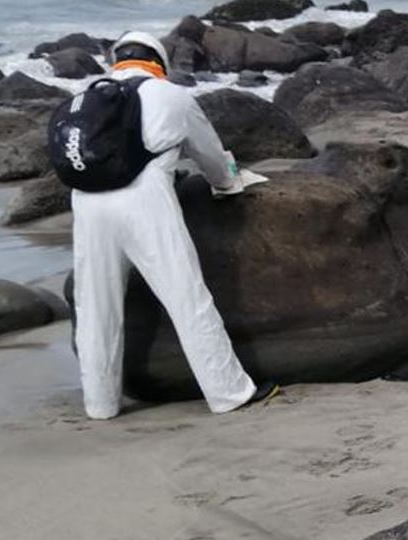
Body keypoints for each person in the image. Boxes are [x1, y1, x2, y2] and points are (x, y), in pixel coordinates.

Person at [70, 31, 273, 420]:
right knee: (187, 298)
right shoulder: (170, 96)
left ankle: (100, 405)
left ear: (118, 60)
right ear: (157, 62)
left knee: (95, 307)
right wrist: (228, 182)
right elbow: (212, 158)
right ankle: (228, 393)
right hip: (145, 203)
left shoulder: (86, 98)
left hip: (87, 204)